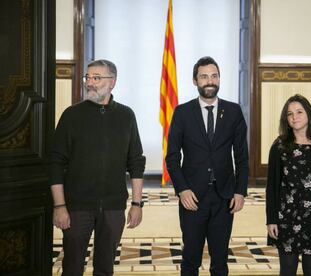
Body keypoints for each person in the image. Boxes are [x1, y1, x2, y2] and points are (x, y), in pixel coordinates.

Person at [50, 59, 146, 276]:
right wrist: (59, 206)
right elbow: (56, 163)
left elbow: (136, 162)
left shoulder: (126, 115)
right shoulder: (71, 115)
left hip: (113, 207)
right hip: (76, 207)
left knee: (105, 268)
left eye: (97, 78)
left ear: (112, 82)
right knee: (72, 267)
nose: (90, 83)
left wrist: (137, 203)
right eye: (88, 77)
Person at [165, 56, 249, 276]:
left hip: (224, 197)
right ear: (195, 81)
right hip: (192, 197)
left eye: (214, 76)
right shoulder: (182, 112)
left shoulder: (233, 111)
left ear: (219, 79)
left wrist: (240, 191)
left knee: (220, 261)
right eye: (204, 76)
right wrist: (182, 189)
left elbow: (241, 156)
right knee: (190, 259)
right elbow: (172, 157)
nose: (209, 81)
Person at [266, 94, 311, 276]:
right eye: (290, 114)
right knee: (288, 269)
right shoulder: (280, 146)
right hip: (287, 215)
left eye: (299, 112)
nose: (294, 117)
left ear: (309, 114)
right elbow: (272, 186)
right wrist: (271, 220)